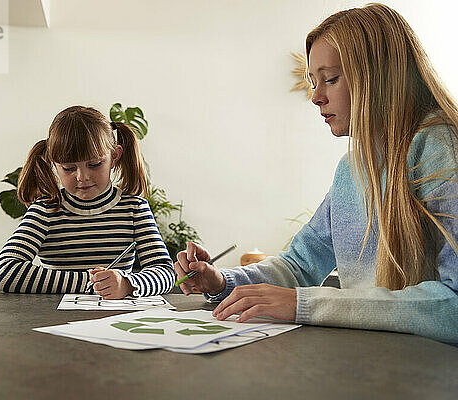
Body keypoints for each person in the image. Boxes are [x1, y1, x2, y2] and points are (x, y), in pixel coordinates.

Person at [175, 3, 458, 344]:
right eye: (313, 81)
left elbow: (453, 305)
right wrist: (222, 282)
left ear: (381, 76)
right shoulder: (352, 169)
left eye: (331, 79)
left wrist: (305, 304)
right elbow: (299, 265)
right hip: (373, 359)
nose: (316, 97)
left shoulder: (442, 149)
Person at [0, 106, 175, 299]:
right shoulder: (45, 210)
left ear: (114, 156)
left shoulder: (134, 209)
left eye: (95, 164)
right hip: (55, 323)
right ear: (54, 164)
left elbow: (164, 272)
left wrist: (127, 284)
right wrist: (91, 282)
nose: (82, 177)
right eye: (69, 168)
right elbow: (5, 272)